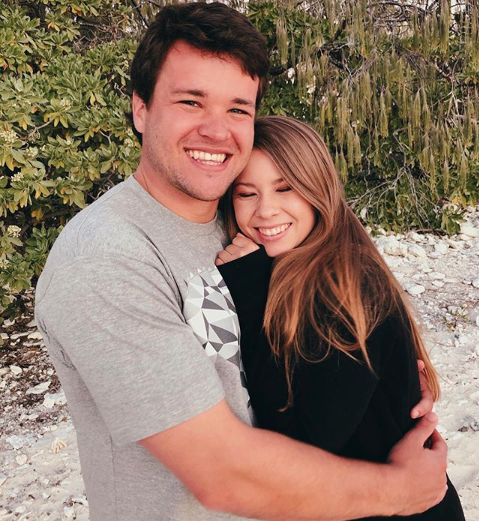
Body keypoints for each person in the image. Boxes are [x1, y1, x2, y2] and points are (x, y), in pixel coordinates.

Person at [35, 3, 448, 521]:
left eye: (237, 108)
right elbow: (223, 475)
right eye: (190, 101)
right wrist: (401, 490)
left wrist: (385, 382)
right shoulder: (105, 259)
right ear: (141, 109)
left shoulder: (239, 222)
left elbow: (319, 322)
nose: (216, 130)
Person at [216, 115, 465, 521]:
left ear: (318, 189)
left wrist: (250, 294)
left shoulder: (344, 289)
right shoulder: (303, 269)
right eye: (247, 194)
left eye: (286, 188)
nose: (266, 210)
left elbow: (304, 446)